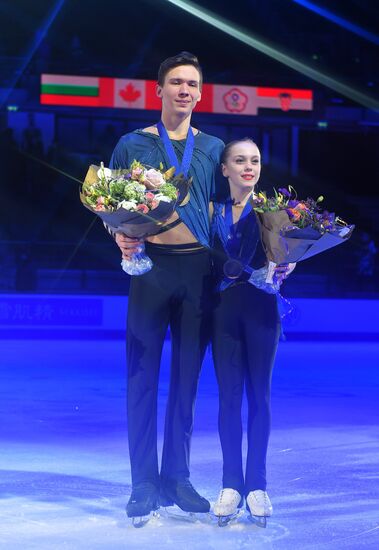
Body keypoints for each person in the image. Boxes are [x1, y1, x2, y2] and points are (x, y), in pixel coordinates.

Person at [108, 52, 224, 521]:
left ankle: (177, 477)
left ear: (200, 93)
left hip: (200, 273)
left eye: (191, 83)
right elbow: (108, 202)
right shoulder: (132, 144)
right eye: (175, 82)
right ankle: (143, 483)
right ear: (159, 90)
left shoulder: (215, 149)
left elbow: (227, 215)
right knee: (141, 378)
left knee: (186, 382)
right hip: (150, 271)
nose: (183, 90)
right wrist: (116, 234)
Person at [210, 138, 294, 526]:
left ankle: (257, 485)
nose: (249, 166)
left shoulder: (274, 213)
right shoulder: (211, 210)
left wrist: (289, 266)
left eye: (255, 160)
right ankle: (231, 484)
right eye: (239, 160)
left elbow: (287, 258)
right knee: (228, 399)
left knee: (259, 396)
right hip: (223, 314)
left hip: (262, 313)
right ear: (224, 168)